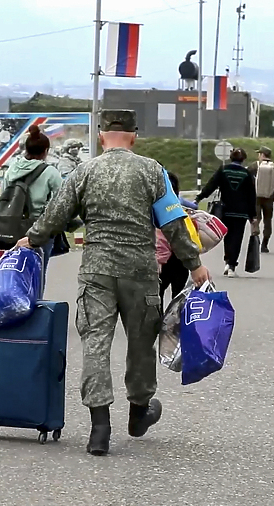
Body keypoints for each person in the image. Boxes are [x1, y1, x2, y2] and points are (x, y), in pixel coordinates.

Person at [15, 109, 210, 456]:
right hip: (141, 273)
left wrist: (30, 239)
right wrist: (194, 264)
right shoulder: (152, 171)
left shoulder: (84, 172)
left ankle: (99, 428)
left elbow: (55, 216)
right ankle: (139, 414)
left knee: (96, 344)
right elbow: (173, 221)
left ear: (101, 137)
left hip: (97, 272)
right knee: (140, 345)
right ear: (134, 137)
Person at [0, 125, 63, 290]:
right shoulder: (51, 172)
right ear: (46, 150)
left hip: (13, 227)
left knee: (16, 271)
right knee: (37, 274)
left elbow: (4, 196)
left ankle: (14, 305)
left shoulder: (12, 169)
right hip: (39, 229)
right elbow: (61, 202)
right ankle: (34, 309)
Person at [195, 148, 257, 277]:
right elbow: (251, 196)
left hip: (225, 210)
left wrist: (199, 198)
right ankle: (231, 266)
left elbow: (211, 185)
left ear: (231, 157)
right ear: (243, 159)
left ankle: (227, 261)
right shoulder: (247, 174)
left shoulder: (223, 170)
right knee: (236, 238)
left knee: (227, 237)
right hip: (241, 213)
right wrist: (253, 216)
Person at [158, 169, 196, 307]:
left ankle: (160, 324)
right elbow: (194, 206)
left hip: (162, 259)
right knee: (179, 295)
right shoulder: (179, 202)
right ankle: (175, 324)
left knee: (158, 294)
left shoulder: (156, 206)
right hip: (180, 257)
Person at [248, 146, 274, 253]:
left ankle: (255, 238)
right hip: (269, 198)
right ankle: (265, 244)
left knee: (255, 220)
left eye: (259, 154)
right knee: (267, 221)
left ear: (262, 155)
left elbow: (247, 179)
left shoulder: (254, 166)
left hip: (256, 198)